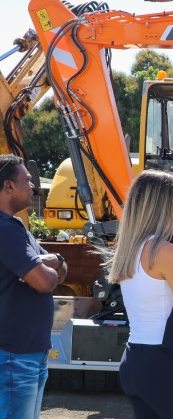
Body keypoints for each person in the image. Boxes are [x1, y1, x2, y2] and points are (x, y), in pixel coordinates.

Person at [104, 170, 173, 418]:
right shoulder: (165, 251)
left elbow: (155, 291)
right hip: (165, 364)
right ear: (161, 203)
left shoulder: (129, 249)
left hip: (134, 361)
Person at [0, 154, 67, 419]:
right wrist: (51, 267)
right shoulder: (5, 230)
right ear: (8, 186)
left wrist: (56, 260)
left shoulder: (17, 228)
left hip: (29, 354)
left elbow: (62, 271)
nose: (33, 187)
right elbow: (45, 282)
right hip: (14, 358)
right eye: (27, 180)